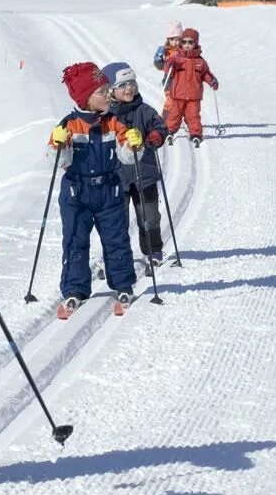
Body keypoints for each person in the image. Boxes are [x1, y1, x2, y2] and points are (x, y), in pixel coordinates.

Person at [49, 62, 144, 315]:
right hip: (75, 192)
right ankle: (74, 289)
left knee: (116, 239)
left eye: (107, 90)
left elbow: (126, 157)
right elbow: (60, 162)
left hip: (108, 191)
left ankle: (123, 284)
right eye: (102, 92)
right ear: (86, 98)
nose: (109, 95)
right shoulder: (68, 125)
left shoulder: (114, 122)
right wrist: (59, 146)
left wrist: (135, 145)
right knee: (74, 241)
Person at [101, 62, 169, 268]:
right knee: (116, 221)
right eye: (122, 85)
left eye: (132, 83)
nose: (129, 88)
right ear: (111, 91)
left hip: (144, 175)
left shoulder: (144, 111)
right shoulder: (105, 116)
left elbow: (161, 127)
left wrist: (155, 137)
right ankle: (116, 257)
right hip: (115, 177)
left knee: (149, 217)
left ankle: (153, 250)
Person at [164, 27, 219, 147]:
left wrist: (212, 81)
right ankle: (169, 130)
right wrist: (170, 64)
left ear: (196, 43)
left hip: (194, 95)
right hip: (178, 94)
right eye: (184, 42)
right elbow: (168, 70)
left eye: (190, 42)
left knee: (193, 115)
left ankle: (196, 134)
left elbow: (206, 74)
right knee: (175, 114)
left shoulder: (200, 61)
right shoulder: (177, 58)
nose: (187, 45)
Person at [153, 21, 183, 119]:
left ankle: (183, 120)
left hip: (182, 81)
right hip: (169, 81)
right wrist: (159, 59)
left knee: (183, 102)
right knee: (170, 101)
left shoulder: (184, 51)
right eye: (172, 39)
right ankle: (164, 120)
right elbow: (159, 67)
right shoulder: (165, 51)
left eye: (178, 39)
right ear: (168, 39)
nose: (175, 42)